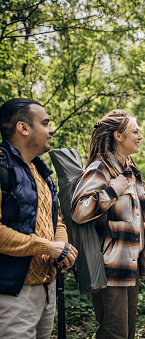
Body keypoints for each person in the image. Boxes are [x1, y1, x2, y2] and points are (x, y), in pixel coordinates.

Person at [71, 109, 145, 339]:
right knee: (114, 334)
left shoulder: (129, 170)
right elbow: (78, 211)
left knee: (126, 334)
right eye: (135, 131)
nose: (140, 136)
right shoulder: (99, 169)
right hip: (109, 269)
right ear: (118, 136)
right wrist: (112, 191)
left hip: (129, 267)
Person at [0, 98, 77, 339]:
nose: (51, 129)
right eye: (45, 123)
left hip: (47, 287)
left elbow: (57, 220)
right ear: (23, 128)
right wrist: (47, 246)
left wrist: (62, 246)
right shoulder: (3, 167)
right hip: (13, 291)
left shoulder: (41, 171)